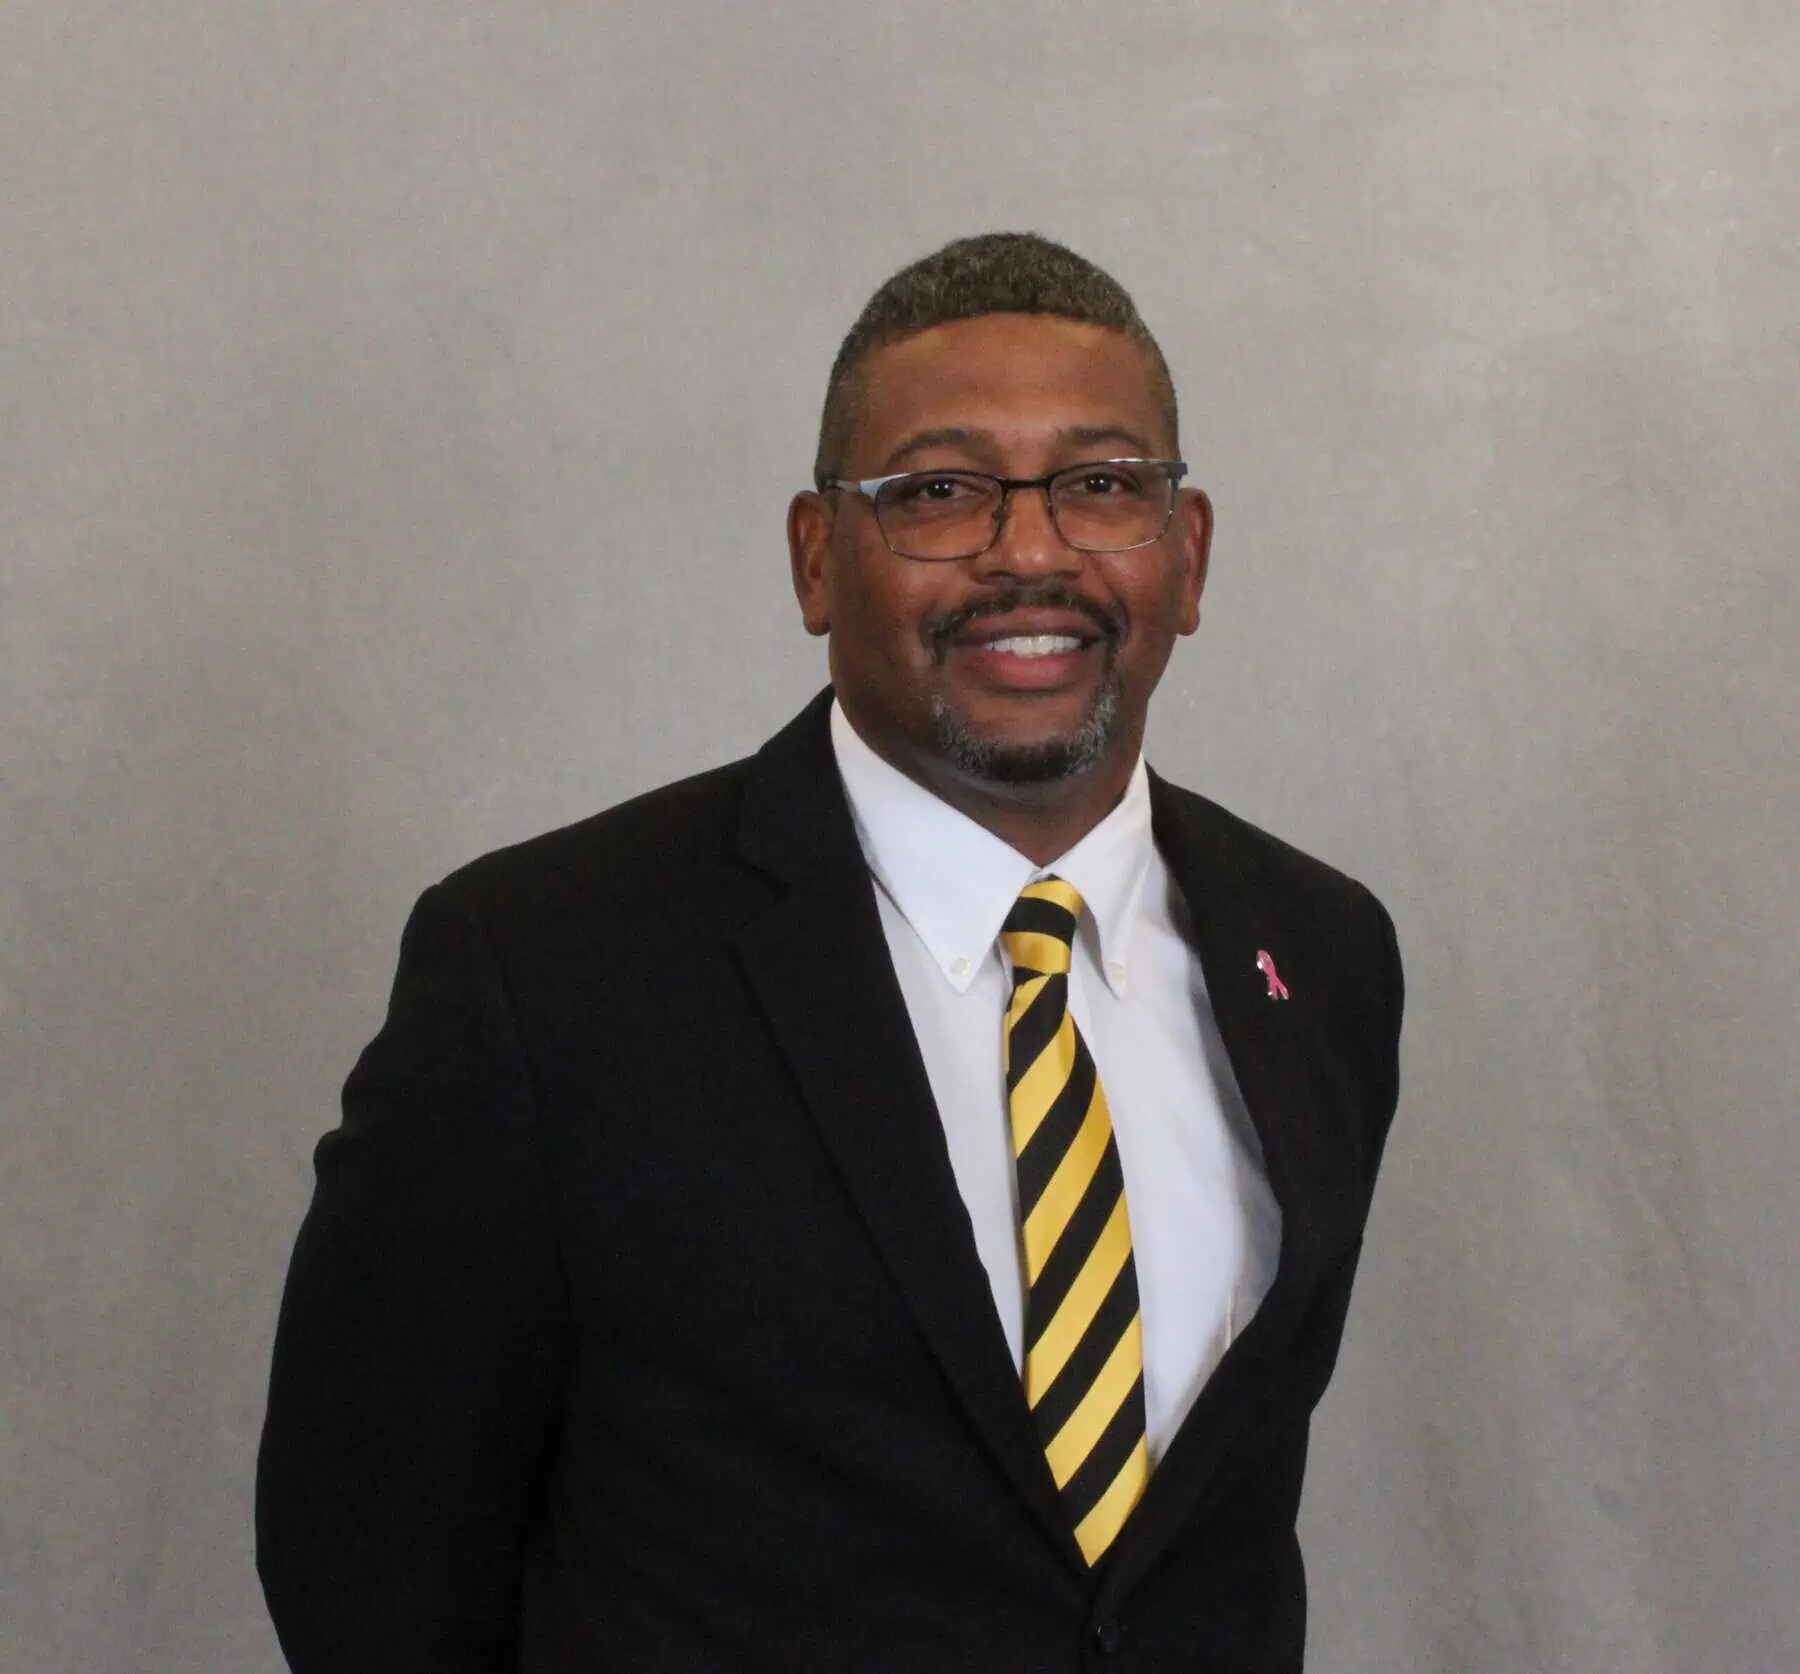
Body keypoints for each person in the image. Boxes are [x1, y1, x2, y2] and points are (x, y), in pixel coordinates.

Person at [256, 231, 1403, 1673]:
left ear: (1188, 552)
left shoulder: (1319, 953)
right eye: (939, 491)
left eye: (1105, 485)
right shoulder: (542, 974)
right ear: (816, 557)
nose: (1030, 549)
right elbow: (366, 1571)